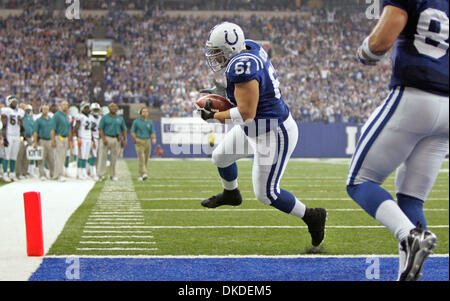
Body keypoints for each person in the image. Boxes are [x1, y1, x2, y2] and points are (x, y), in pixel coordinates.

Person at [198, 22, 327, 248]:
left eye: (217, 52)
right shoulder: (249, 48)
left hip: (273, 132)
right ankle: (231, 194)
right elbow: (251, 96)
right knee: (220, 157)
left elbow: (246, 113)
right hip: (256, 127)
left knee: (266, 194)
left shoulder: (242, 66)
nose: (215, 57)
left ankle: (312, 216)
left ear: (229, 50)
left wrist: (214, 116)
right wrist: (224, 93)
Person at [347, 0, 448, 281]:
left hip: (416, 93)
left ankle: (409, 235)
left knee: (359, 181)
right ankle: (410, 273)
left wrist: (364, 52)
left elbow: (381, 42)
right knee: (412, 200)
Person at [97, 103, 127, 182]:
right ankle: (100, 175)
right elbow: (100, 129)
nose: (114, 108)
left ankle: (113, 175)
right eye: (112, 107)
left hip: (115, 139)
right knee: (102, 157)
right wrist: (103, 139)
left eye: (115, 107)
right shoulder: (104, 118)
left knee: (114, 158)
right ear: (109, 108)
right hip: (106, 138)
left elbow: (124, 129)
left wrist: (124, 139)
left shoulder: (120, 118)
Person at [1, 95, 25, 182]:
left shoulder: (20, 112)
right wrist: (4, 137)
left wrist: (23, 136)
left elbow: (21, 125)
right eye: (13, 102)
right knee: (6, 156)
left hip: (17, 135)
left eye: (16, 102)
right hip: (9, 135)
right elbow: (3, 126)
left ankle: (11, 173)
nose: (15, 103)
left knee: (14, 156)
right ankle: (4, 174)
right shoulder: (6, 111)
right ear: (9, 102)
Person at [131, 106, 157, 181]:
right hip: (139, 141)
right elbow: (132, 131)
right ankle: (144, 173)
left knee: (146, 158)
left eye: (146, 111)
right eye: (143, 111)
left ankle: (140, 174)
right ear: (141, 113)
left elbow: (152, 131)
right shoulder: (136, 121)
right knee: (141, 157)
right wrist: (135, 139)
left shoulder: (150, 122)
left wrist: (154, 138)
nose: (145, 113)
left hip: (147, 141)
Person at [33, 104, 56, 181]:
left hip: (49, 140)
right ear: (41, 110)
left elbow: (53, 131)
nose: (45, 110)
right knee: (41, 158)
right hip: (42, 140)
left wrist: (53, 140)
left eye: (46, 109)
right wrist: (35, 142)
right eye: (44, 109)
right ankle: (42, 174)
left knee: (51, 158)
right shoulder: (38, 120)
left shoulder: (51, 120)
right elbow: (35, 132)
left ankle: (52, 173)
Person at [52, 100, 71, 181]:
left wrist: (69, 141)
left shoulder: (67, 116)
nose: (65, 106)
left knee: (63, 157)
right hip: (59, 137)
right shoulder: (57, 115)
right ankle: (58, 175)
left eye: (66, 105)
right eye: (63, 104)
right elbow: (53, 129)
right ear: (60, 106)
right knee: (59, 157)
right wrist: (53, 140)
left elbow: (68, 129)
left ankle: (60, 173)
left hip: (65, 138)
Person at [74, 102, 93, 180]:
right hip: (82, 137)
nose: (87, 109)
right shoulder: (80, 116)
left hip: (88, 137)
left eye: (88, 108)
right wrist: (78, 137)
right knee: (81, 156)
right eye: (86, 108)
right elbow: (76, 127)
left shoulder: (90, 117)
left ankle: (84, 172)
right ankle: (79, 173)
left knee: (86, 156)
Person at [15, 104, 34, 179]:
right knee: (20, 154)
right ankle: (18, 172)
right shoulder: (20, 117)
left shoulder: (30, 117)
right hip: (22, 137)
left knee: (27, 155)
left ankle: (25, 172)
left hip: (29, 137)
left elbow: (32, 127)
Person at [88, 102, 102, 180]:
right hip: (91, 138)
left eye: (97, 109)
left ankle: (92, 171)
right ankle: (92, 172)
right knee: (92, 156)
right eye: (95, 109)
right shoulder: (89, 117)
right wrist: (92, 139)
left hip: (98, 138)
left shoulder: (100, 118)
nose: (96, 111)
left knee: (96, 156)